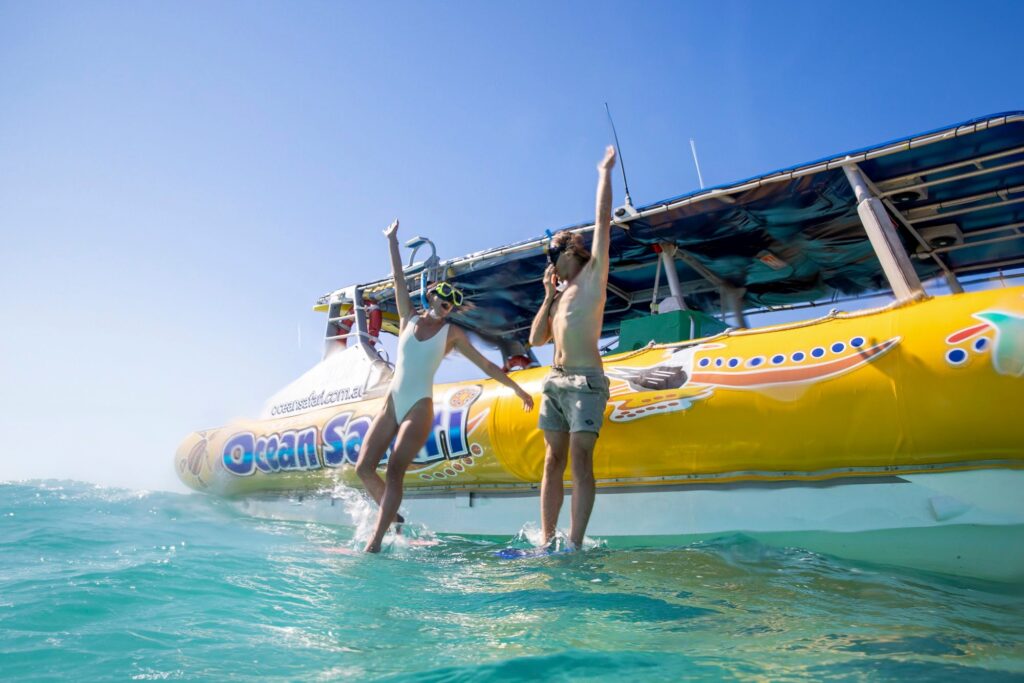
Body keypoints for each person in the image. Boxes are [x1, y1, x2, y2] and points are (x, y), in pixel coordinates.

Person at [357, 219, 535, 553]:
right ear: (430, 296)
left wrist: (516, 389)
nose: (448, 303)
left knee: (395, 469)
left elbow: (484, 364)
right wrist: (392, 241)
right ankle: (391, 518)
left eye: (453, 302)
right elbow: (398, 278)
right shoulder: (409, 317)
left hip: (419, 407)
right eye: (444, 297)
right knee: (363, 467)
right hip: (392, 402)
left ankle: (376, 540)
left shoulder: (451, 333)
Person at [528, 145, 616, 549]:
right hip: (556, 381)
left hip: (585, 381)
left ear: (568, 253)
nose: (549, 263)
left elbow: (602, 221)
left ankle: (576, 543)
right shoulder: (560, 298)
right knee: (552, 461)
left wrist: (603, 173)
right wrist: (547, 297)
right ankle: (547, 540)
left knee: (580, 460)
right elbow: (535, 340)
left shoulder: (593, 276)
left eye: (551, 255)